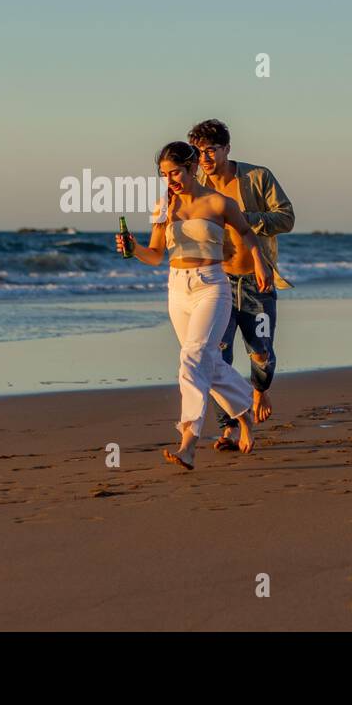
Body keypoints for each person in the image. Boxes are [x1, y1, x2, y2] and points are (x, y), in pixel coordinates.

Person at [117, 141, 272, 470]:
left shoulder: (218, 202)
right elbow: (156, 255)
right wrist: (133, 249)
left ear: (192, 168)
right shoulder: (164, 207)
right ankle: (244, 414)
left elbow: (247, 233)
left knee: (191, 357)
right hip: (177, 289)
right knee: (208, 361)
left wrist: (259, 261)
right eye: (163, 174)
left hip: (212, 286)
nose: (170, 179)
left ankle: (189, 440)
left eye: (175, 172)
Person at [186, 119, 295, 449]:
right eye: (198, 152)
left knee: (261, 352)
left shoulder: (257, 177)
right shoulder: (197, 184)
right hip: (216, 282)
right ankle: (230, 427)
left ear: (226, 149)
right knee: (217, 355)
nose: (204, 158)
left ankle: (259, 390)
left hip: (256, 282)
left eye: (210, 151)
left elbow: (287, 217)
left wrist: (248, 219)